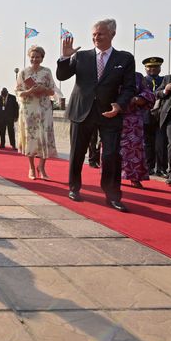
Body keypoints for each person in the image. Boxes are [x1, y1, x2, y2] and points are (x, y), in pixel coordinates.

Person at [56, 18, 136, 212]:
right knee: (77, 152)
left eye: (100, 34)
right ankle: (74, 188)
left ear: (112, 34)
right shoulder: (81, 56)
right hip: (81, 111)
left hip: (109, 113)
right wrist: (65, 58)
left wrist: (120, 104)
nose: (96, 37)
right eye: (93, 34)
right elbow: (62, 76)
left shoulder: (124, 58)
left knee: (110, 155)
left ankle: (112, 195)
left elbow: (129, 87)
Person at [17, 45, 58, 179]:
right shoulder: (23, 72)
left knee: (44, 137)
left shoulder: (47, 72)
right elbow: (17, 91)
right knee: (31, 137)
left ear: (42, 58)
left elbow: (52, 91)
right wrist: (29, 91)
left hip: (44, 108)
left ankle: (42, 166)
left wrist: (43, 89)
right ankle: (31, 167)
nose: (35, 59)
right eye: (32, 57)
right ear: (29, 57)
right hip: (29, 109)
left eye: (38, 57)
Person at [120, 72, 155, 188]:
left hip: (132, 120)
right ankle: (112, 176)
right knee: (111, 149)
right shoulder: (109, 72)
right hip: (113, 117)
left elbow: (148, 93)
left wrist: (139, 98)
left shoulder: (137, 76)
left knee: (134, 150)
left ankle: (134, 178)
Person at [142, 57, 168, 176]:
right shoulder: (141, 81)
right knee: (147, 143)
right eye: (150, 67)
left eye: (156, 67)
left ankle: (162, 168)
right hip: (145, 116)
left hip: (161, 116)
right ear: (145, 68)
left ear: (160, 68)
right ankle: (149, 166)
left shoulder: (165, 80)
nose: (153, 69)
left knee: (161, 143)